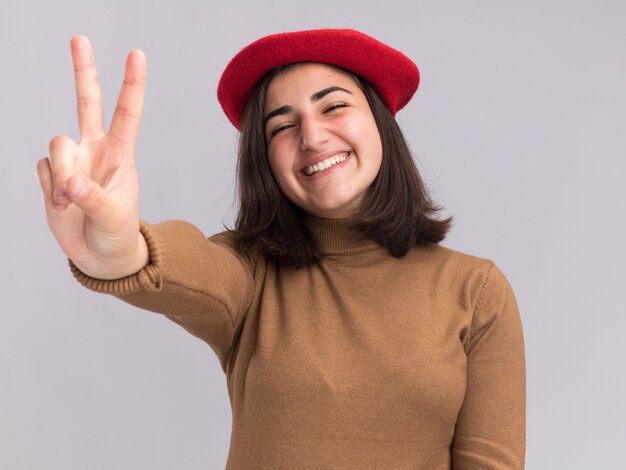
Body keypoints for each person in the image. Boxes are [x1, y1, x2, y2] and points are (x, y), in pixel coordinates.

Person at [36, 29, 526, 469]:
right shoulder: (250, 274)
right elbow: (183, 267)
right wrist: (118, 244)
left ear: (380, 122)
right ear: (265, 160)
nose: (311, 137)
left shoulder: (475, 290)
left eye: (333, 106)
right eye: (281, 126)